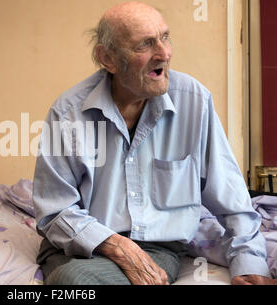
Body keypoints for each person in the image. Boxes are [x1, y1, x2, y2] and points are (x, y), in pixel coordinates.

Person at [32, 1, 273, 285]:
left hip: (157, 248)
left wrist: (249, 262)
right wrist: (117, 245)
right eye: (145, 44)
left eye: (165, 37)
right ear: (107, 59)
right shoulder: (68, 112)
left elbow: (231, 198)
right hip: (81, 245)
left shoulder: (195, 101)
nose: (165, 53)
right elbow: (55, 211)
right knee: (74, 279)